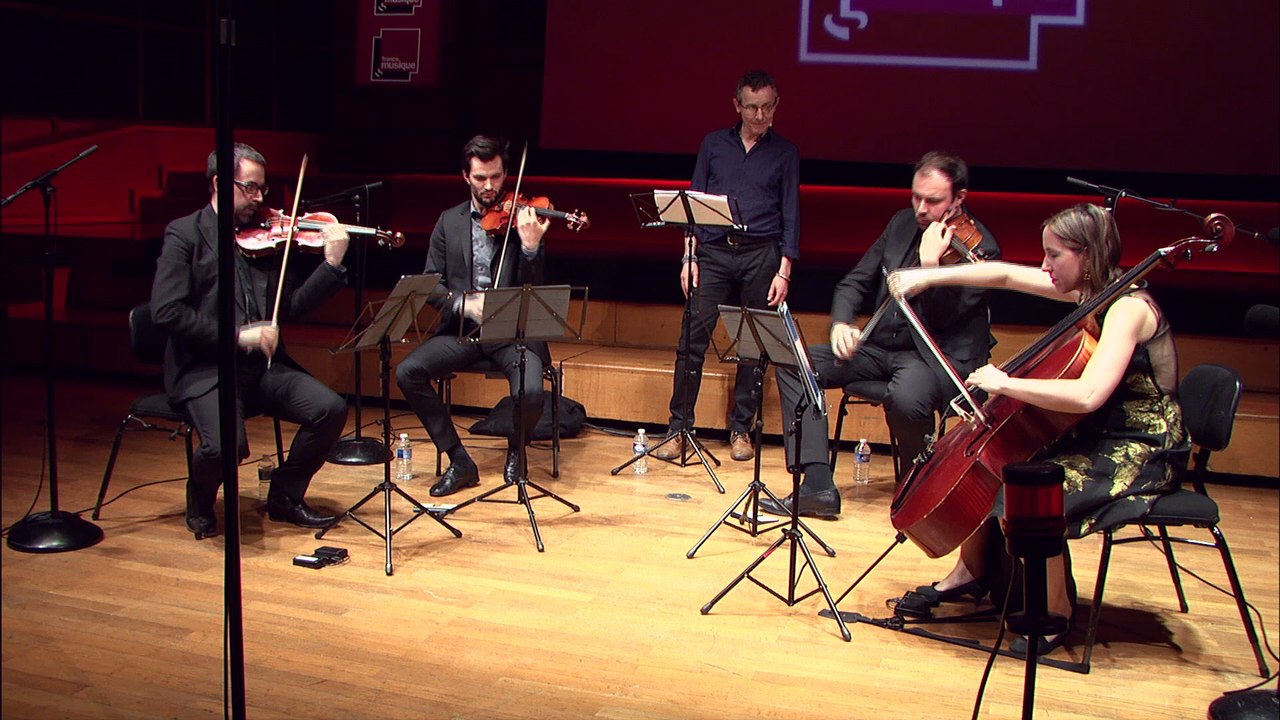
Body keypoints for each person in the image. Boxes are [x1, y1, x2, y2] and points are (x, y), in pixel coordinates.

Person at [886, 203, 1187, 656]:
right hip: (1101, 428)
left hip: (1141, 445)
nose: (1045, 265)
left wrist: (1006, 384)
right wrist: (928, 277)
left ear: (1087, 256)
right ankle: (971, 573)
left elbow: (1088, 394)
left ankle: (1055, 612)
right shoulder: (1092, 290)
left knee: (1034, 489)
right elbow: (1005, 275)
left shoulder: (1127, 308)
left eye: (1054, 255)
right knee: (1002, 459)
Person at [762, 151, 999, 518]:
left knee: (907, 396)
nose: (921, 208)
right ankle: (816, 485)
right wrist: (841, 323)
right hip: (879, 348)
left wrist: (930, 267)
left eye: (933, 201)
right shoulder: (901, 223)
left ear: (959, 199)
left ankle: (918, 487)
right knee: (794, 361)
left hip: (932, 357)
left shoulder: (982, 250)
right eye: (916, 197)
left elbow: (943, 319)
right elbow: (855, 282)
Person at [151, 142, 350, 539]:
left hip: (261, 368)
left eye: (262, 188)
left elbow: (290, 306)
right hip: (206, 369)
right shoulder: (185, 234)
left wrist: (331, 265)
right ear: (219, 183)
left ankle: (285, 496)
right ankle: (200, 498)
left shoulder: (263, 237)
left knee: (329, 409)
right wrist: (238, 335)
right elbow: (166, 311)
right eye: (250, 188)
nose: (259, 198)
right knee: (225, 446)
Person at [652, 69, 801, 464]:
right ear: (737, 105)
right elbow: (692, 204)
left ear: (776, 106)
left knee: (752, 346)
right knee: (691, 341)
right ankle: (678, 429)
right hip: (714, 252)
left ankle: (741, 429)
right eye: (751, 107)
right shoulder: (713, 144)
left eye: (766, 107)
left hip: (761, 255)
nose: (759, 115)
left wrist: (784, 270)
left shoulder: (786, 153)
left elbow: (791, 215)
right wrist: (688, 256)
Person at [395, 135, 550, 497]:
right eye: (480, 178)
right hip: (462, 331)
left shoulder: (523, 220)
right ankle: (459, 460)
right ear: (466, 176)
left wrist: (530, 248)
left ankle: (517, 450)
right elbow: (431, 285)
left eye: (496, 177)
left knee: (530, 391)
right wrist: (462, 304)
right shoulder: (449, 222)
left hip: (511, 334)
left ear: (506, 174)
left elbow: (536, 288)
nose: (489, 186)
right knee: (408, 372)